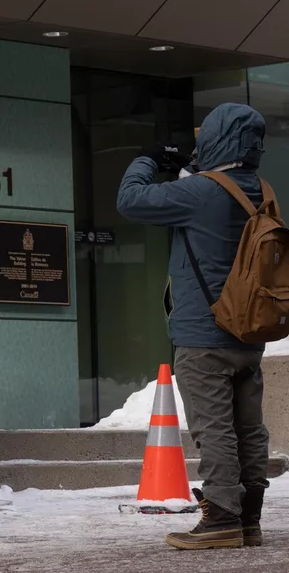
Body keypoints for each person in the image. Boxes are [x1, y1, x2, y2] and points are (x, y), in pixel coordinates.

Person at [117, 103, 270, 550]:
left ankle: (221, 518)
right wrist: (193, 168)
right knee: (248, 428)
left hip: (203, 336)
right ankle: (249, 519)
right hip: (248, 330)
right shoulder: (261, 189)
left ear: (218, 141)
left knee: (214, 428)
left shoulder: (200, 193)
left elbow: (130, 200)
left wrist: (149, 159)